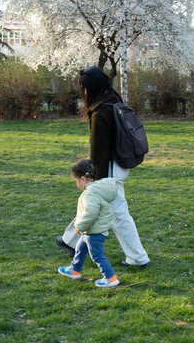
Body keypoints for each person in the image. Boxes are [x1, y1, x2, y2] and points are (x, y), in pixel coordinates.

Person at [55, 66, 151, 267]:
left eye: (83, 87)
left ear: (90, 88)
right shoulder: (113, 102)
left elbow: (99, 151)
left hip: (108, 171)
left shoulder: (100, 112)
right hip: (116, 167)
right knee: (93, 206)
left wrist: (95, 179)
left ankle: (138, 258)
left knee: (117, 215)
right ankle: (70, 241)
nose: (83, 91)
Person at [58, 160, 119, 287]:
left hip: (94, 232)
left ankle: (111, 278)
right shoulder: (98, 189)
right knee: (80, 248)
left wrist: (79, 226)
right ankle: (74, 270)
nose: (76, 184)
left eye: (76, 181)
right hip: (93, 230)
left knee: (97, 255)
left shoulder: (89, 194)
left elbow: (90, 214)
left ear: (83, 179)